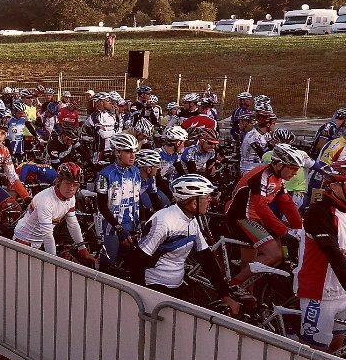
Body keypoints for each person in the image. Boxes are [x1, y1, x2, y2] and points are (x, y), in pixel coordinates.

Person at [125, 174, 241, 313]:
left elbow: (206, 258)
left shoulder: (191, 219)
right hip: (155, 287)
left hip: (176, 285)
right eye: (206, 197)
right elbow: (137, 262)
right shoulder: (164, 221)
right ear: (193, 202)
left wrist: (224, 294)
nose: (210, 199)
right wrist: (141, 301)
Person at [293, 160, 346, 351]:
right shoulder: (318, 213)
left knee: (336, 349)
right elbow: (336, 260)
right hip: (318, 294)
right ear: (335, 186)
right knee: (314, 356)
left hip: (343, 292)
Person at [224, 143, 305, 284]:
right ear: (279, 165)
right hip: (242, 216)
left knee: (249, 261)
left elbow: (287, 203)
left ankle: (246, 290)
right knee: (275, 254)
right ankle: (233, 286)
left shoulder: (278, 178)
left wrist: (299, 227)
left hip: (253, 217)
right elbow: (261, 206)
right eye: (293, 168)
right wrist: (283, 230)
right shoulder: (262, 175)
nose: (296, 173)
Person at [13, 162, 98, 266]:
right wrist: (54, 263)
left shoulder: (70, 197)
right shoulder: (46, 200)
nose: (71, 188)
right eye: (67, 183)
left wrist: (84, 252)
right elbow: (48, 235)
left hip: (41, 241)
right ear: (58, 181)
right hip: (24, 240)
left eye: (75, 185)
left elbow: (73, 225)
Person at [96, 132, 142, 269]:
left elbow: (139, 199)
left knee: (128, 259)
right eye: (128, 152)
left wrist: (143, 220)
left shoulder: (136, 171)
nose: (132, 155)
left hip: (131, 222)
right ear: (117, 152)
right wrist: (119, 228)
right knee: (108, 263)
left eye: (134, 151)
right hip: (111, 225)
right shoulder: (105, 175)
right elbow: (102, 207)